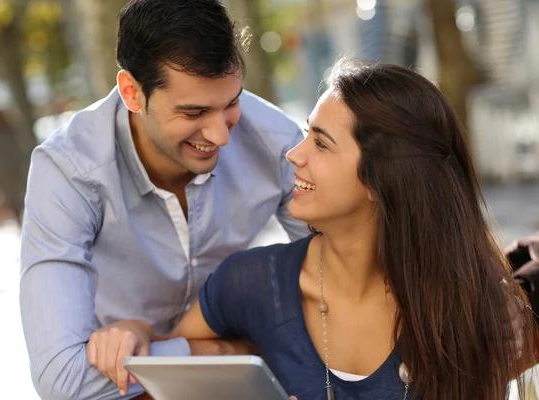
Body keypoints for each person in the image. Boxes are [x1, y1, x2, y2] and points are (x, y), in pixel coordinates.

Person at [91, 59, 537, 400]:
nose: (294, 154)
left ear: (382, 181)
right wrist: (138, 331)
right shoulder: (249, 283)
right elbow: (165, 383)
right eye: (306, 132)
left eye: (321, 143)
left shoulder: (470, 306)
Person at [19, 0, 309, 399]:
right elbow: (63, 380)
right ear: (132, 93)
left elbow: (344, 281)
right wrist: (230, 351)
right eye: (194, 113)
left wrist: (161, 345)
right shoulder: (69, 170)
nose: (221, 136)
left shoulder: (277, 142)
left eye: (231, 103)